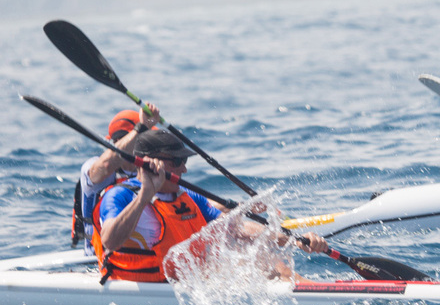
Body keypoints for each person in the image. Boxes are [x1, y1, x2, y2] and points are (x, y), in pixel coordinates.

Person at [91, 129, 328, 283]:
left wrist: (295, 240)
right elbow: (110, 241)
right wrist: (145, 195)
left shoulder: (188, 197)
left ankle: (315, 289)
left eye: (184, 161)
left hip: (186, 282)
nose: (184, 169)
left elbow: (236, 229)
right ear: (149, 163)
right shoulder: (120, 196)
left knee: (265, 261)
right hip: (137, 289)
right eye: (178, 161)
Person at [73, 104, 162, 254]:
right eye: (145, 138)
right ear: (125, 140)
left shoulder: (148, 170)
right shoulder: (93, 167)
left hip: (143, 258)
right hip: (100, 260)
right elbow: (106, 166)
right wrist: (140, 128)